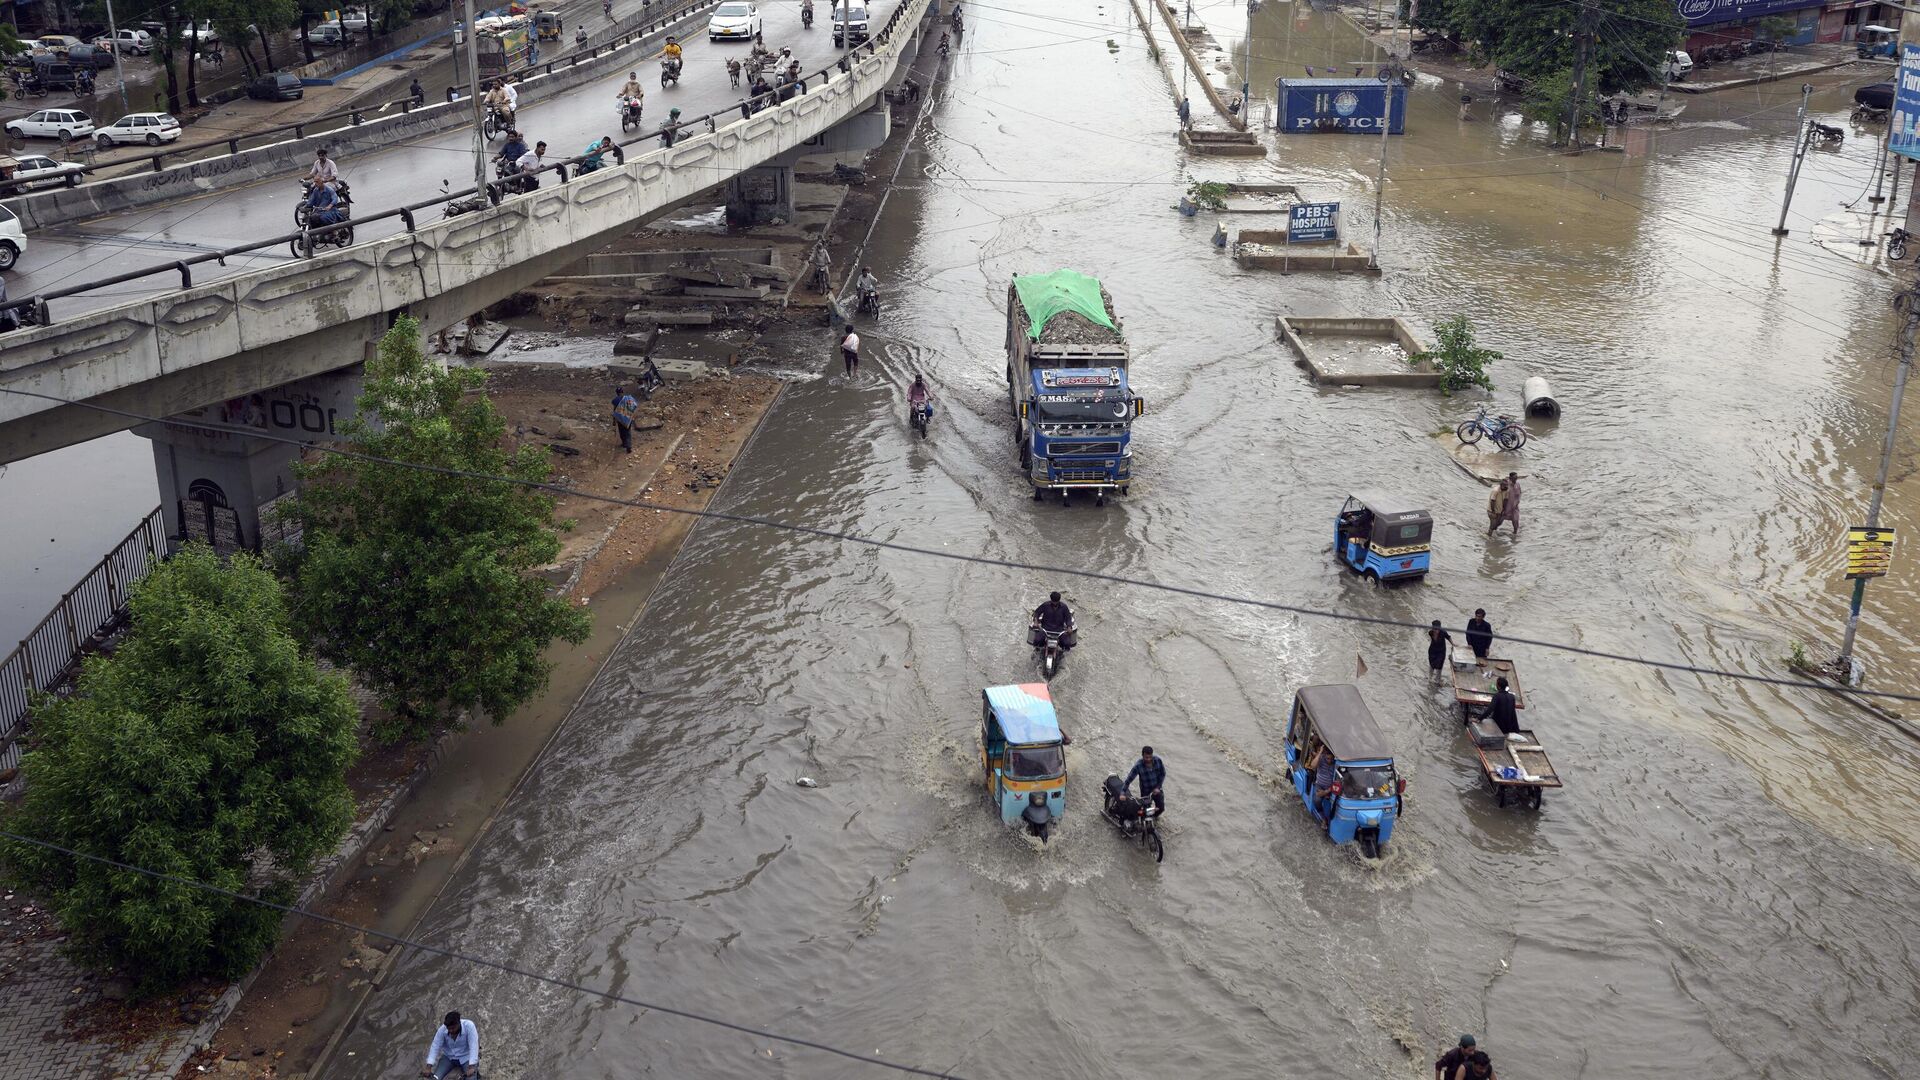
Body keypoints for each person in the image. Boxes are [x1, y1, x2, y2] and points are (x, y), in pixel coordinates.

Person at [421, 1011, 479, 1079]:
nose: (451, 1031)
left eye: (453, 1028)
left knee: (471, 1078)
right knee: (435, 1078)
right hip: (449, 1057)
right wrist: (428, 1067)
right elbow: (435, 1046)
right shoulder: (442, 1029)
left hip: (466, 1057)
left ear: (459, 1023)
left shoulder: (469, 1026)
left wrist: (471, 1066)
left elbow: (473, 1046)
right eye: (449, 1028)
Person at [1123, 745, 1166, 813]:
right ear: (1142, 755)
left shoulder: (1158, 760)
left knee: (1161, 808)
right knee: (1145, 811)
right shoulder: (1138, 766)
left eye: (1150, 757)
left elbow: (1163, 774)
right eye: (1146, 757)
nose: (1148, 759)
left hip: (1157, 788)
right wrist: (1122, 793)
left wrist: (1158, 787)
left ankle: (1153, 818)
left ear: (1152, 755)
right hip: (1145, 791)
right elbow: (1128, 780)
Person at [1307, 743, 1337, 821]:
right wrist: (1320, 752)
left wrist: (1326, 792)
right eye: (1328, 758)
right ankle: (1324, 819)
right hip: (1319, 785)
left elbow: (1338, 781)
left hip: (1331, 787)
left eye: (1331, 759)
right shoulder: (1321, 759)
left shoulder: (1336, 764)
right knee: (1317, 800)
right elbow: (1313, 766)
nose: (1330, 761)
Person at [611, 386, 638, 452]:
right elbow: (634, 406)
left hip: (620, 419)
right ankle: (628, 446)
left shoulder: (615, 400)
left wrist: (614, 420)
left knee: (622, 432)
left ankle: (624, 443)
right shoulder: (628, 398)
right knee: (628, 432)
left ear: (616, 393)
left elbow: (615, 410)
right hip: (628, 418)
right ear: (622, 392)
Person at [1500, 471, 1521, 535]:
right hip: (1506, 505)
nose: (1516, 479)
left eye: (1516, 477)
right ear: (1510, 478)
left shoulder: (1517, 484)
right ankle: (1493, 529)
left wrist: (1517, 502)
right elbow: (1501, 493)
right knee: (1500, 519)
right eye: (1514, 478)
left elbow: (1520, 493)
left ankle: (1515, 533)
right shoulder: (1507, 484)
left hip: (1515, 506)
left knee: (1515, 520)